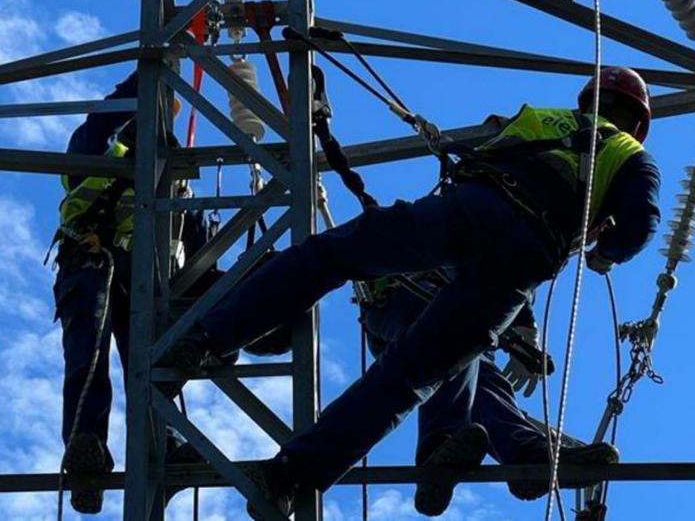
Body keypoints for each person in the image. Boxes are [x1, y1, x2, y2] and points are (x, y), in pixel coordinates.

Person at [164, 67, 662, 516]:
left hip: (471, 210)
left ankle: (207, 340)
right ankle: (293, 476)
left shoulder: (539, 116)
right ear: (637, 122)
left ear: (586, 101)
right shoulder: (631, 155)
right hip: (525, 255)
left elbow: (485, 157)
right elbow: (640, 223)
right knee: (415, 372)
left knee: (332, 256)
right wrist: (605, 253)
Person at [52, 71, 212, 514]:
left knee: (155, 359)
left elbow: (201, 254)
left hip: (145, 279)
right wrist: (151, 74)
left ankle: (165, 438)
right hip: (92, 263)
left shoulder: (172, 184)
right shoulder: (97, 150)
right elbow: (103, 118)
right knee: (88, 350)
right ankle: (87, 447)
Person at [361, 275, 620, 516]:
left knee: (481, 379)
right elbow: (495, 255)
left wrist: (522, 325)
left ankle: (526, 455)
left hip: (455, 309)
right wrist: (524, 323)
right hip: (407, 296)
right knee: (454, 331)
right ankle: (439, 447)